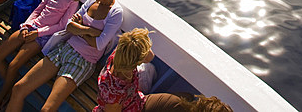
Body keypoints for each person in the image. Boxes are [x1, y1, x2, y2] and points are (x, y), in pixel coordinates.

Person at [5, 0, 123, 112]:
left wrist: (78, 29)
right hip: (64, 48)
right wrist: (90, 31)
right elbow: (69, 26)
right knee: (18, 88)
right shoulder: (92, 1)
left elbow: (99, 44)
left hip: (82, 60)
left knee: (47, 109)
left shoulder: (115, 13)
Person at [0, 0, 88, 112]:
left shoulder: (72, 2)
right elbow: (38, 10)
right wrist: (26, 26)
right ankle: (10, 89)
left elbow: (61, 26)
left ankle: (2, 96)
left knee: (13, 65)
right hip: (30, 27)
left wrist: (38, 33)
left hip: (42, 36)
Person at [94, 29, 233, 112]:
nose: (150, 51)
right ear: (136, 61)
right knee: (179, 105)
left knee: (186, 98)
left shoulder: (120, 54)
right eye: (146, 50)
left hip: (134, 100)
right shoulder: (115, 93)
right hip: (132, 108)